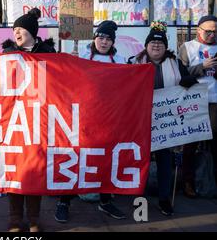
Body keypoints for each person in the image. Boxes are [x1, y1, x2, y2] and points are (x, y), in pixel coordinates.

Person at [55, 21, 127, 224]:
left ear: (113, 41)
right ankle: (64, 201)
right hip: (81, 117)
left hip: (108, 118)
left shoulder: (120, 61)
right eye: (101, 37)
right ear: (95, 38)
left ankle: (105, 201)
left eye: (108, 39)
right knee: (75, 158)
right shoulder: (82, 57)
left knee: (107, 159)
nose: (104, 42)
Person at [128, 21, 198, 216]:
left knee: (165, 160)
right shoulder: (133, 62)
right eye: (152, 43)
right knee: (139, 159)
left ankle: (164, 198)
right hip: (140, 120)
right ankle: (138, 196)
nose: (156, 46)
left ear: (166, 47)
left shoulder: (175, 64)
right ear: (146, 45)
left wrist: (189, 82)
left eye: (160, 43)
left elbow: (191, 87)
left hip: (166, 121)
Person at [1, 8, 55, 232]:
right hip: (14, 119)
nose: (16, 33)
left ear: (32, 32)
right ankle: (15, 219)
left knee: (34, 169)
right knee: (14, 168)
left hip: (39, 119)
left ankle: (33, 219)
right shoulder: (6, 54)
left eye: (20, 29)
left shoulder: (49, 53)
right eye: (14, 30)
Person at [178, 15, 217, 194]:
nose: (212, 35)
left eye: (215, 32)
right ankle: (188, 182)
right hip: (194, 101)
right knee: (191, 143)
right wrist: (203, 66)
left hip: (214, 102)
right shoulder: (187, 47)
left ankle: (211, 182)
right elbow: (181, 76)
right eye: (208, 31)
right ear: (198, 30)